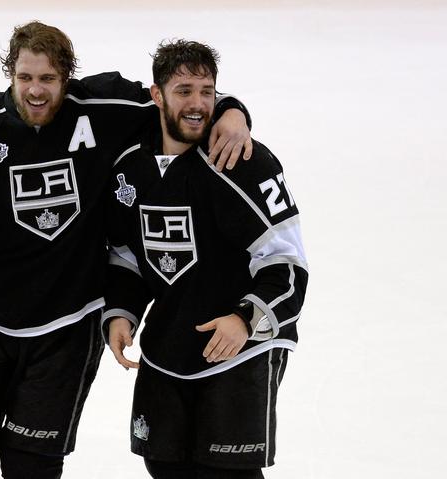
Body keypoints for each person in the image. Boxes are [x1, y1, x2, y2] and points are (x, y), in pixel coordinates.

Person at [0, 21, 252, 479]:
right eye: (25, 77)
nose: (36, 91)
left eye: (48, 79)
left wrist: (232, 110)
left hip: (65, 334)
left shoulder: (102, 107)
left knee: (32, 470)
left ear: (67, 78)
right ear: (11, 74)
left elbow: (174, 99)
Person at [104, 39, 308, 479]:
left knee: (226, 473)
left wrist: (245, 319)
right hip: (169, 347)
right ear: (156, 95)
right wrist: (122, 311)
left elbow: (288, 267)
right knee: (163, 464)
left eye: (207, 90)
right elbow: (126, 254)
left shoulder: (243, 161)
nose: (198, 103)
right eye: (184, 91)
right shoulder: (130, 167)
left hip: (240, 350)